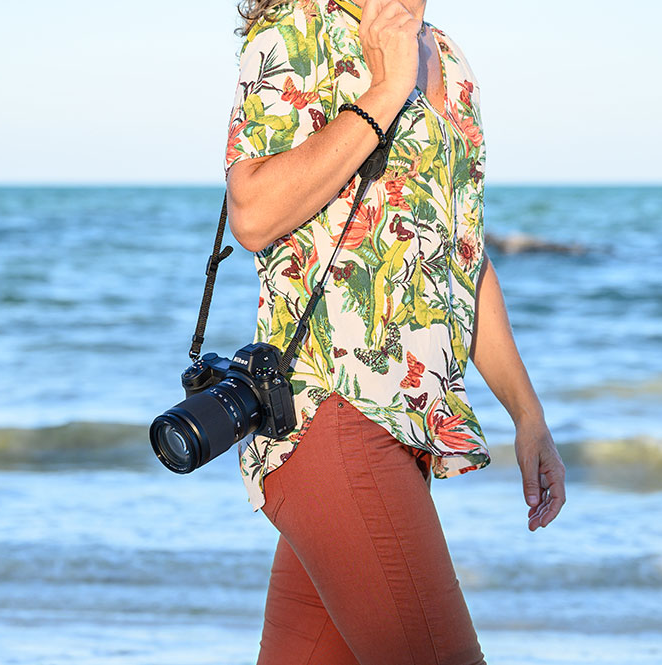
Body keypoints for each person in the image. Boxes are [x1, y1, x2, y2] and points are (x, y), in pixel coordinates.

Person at [224, 1, 566, 662]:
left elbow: (461, 257)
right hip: (330, 416)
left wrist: (529, 415)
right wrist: (385, 89)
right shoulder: (297, 33)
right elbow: (253, 211)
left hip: (408, 429)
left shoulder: (450, 58)